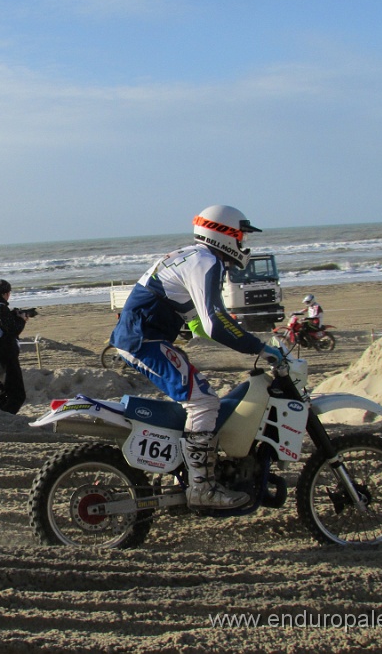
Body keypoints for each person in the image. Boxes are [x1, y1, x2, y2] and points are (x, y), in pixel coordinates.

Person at [109, 205, 284, 510]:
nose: (243, 243)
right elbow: (215, 322)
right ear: (225, 234)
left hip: (145, 337)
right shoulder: (206, 261)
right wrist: (258, 347)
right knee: (203, 401)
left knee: (199, 396)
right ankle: (202, 489)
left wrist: (235, 339)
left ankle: (186, 475)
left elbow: (200, 324)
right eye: (240, 236)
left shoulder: (194, 257)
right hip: (142, 340)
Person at [0, 279, 30, 415]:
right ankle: (5, 418)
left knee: (3, 392)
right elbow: (13, 330)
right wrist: (22, 320)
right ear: (6, 293)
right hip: (5, 355)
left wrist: (14, 316)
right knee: (17, 395)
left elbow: (0, 326)